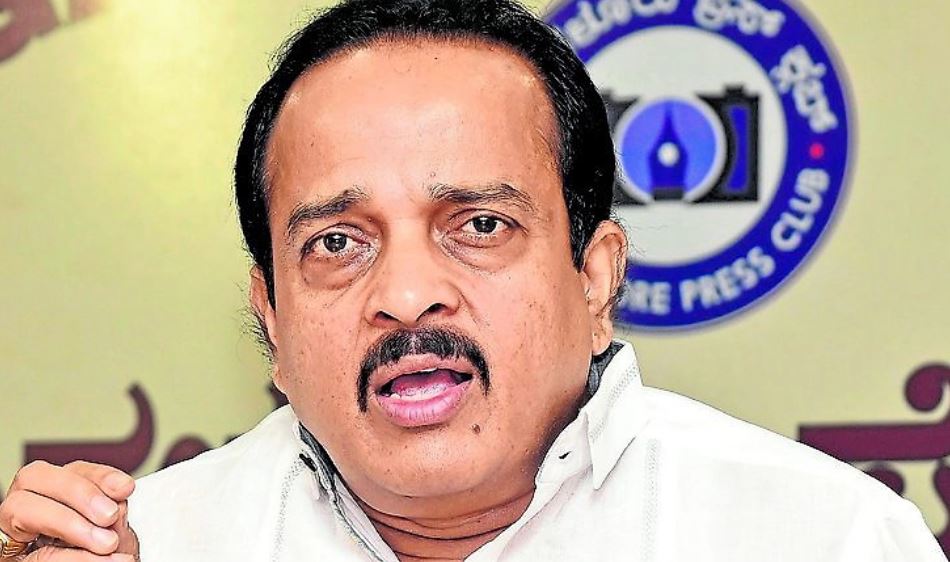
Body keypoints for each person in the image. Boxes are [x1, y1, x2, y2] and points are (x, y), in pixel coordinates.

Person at [0, 0, 945, 560]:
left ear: (596, 279)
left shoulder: (820, 538)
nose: (407, 295)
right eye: (338, 242)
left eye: (480, 226)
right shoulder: (156, 546)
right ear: (272, 321)